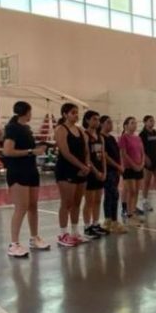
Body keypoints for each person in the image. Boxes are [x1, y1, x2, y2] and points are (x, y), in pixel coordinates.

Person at [1, 101, 50, 258]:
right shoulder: (12, 128)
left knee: (33, 205)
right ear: (26, 112)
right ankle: (13, 243)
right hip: (18, 171)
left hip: (31, 170)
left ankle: (34, 237)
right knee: (21, 207)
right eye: (30, 112)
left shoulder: (26, 128)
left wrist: (39, 149)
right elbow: (8, 151)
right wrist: (31, 151)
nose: (31, 115)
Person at [53, 103, 90, 247]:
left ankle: (75, 232)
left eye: (77, 112)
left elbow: (86, 151)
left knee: (77, 202)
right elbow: (65, 152)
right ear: (65, 114)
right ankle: (63, 233)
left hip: (81, 170)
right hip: (66, 170)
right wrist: (81, 166)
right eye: (73, 113)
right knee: (66, 203)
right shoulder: (61, 129)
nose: (76, 115)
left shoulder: (81, 131)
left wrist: (86, 165)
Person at [82, 111, 108, 238]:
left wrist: (104, 171)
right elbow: (86, 157)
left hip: (100, 170)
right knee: (89, 201)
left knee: (98, 199)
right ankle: (87, 226)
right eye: (94, 119)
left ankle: (96, 223)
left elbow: (103, 156)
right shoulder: (85, 135)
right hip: (90, 172)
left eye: (98, 120)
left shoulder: (100, 137)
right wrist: (95, 171)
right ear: (87, 120)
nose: (97, 122)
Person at [100, 116, 127, 234]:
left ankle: (112, 220)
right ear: (102, 124)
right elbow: (105, 156)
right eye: (108, 122)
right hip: (109, 170)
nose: (110, 125)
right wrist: (117, 166)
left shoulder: (111, 138)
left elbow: (116, 153)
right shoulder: (101, 138)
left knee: (113, 195)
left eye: (111, 122)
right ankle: (110, 220)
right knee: (111, 194)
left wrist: (120, 166)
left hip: (115, 171)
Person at [119, 117, 145, 226]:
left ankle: (133, 212)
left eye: (135, 123)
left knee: (137, 191)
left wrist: (142, 164)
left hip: (139, 167)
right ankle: (129, 214)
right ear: (126, 126)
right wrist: (134, 165)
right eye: (132, 123)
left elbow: (142, 152)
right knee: (131, 191)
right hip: (129, 168)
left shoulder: (138, 138)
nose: (134, 125)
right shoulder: (123, 138)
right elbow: (123, 154)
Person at [139, 115, 156, 211]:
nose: (152, 122)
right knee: (147, 182)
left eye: (153, 121)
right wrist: (145, 158)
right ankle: (145, 201)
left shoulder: (155, 132)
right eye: (150, 121)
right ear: (145, 122)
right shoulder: (142, 134)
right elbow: (141, 149)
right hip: (148, 160)